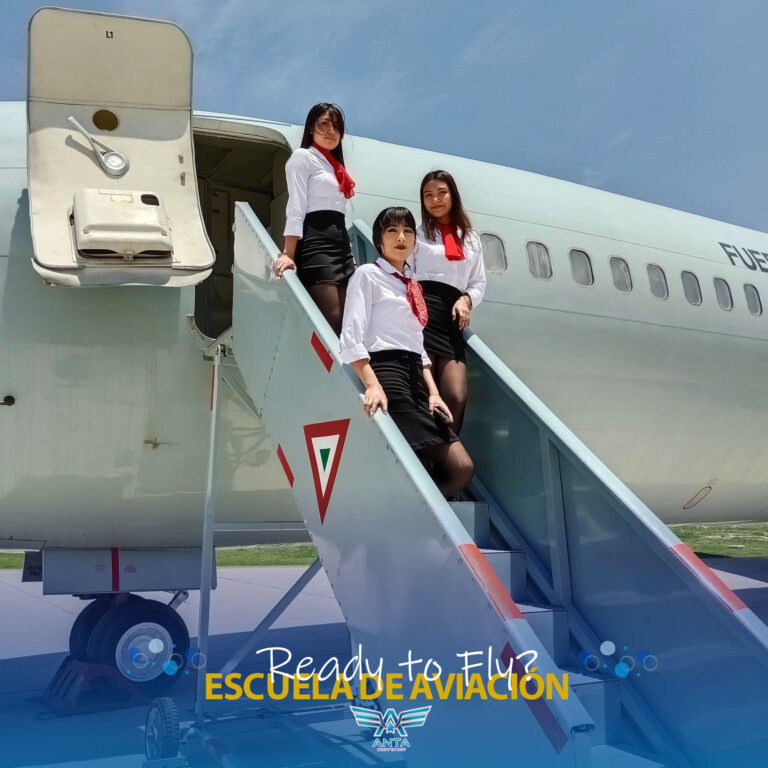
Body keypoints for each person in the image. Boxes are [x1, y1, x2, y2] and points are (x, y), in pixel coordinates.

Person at [340, 206, 474, 496]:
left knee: (462, 468)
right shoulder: (367, 275)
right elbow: (351, 337)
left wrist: (434, 393)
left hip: (417, 381)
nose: (401, 237)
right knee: (443, 466)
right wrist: (372, 385)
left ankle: (416, 510)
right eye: (392, 230)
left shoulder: (412, 287)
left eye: (408, 231)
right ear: (379, 240)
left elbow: (418, 346)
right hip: (388, 374)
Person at [273, 103, 356, 335]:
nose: (331, 131)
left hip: (341, 246)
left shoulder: (335, 166)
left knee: (348, 322)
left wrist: (350, 254)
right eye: (324, 124)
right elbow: (296, 206)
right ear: (311, 127)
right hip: (317, 242)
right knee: (332, 317)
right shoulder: (303, 157)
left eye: (337, 126)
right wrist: (288, 253)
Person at [414, 170, 487, 434]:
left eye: (441, 193)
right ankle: (423, 453)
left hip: (451, 319)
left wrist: (466, 300)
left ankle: (444, 450)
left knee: (455, 396)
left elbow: (478, 283)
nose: (435, 200)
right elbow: (406, 272)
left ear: (453, 195)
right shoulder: (417, 234)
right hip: (421, 313)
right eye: (428, 195)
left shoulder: (471, 239)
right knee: (423, 392)